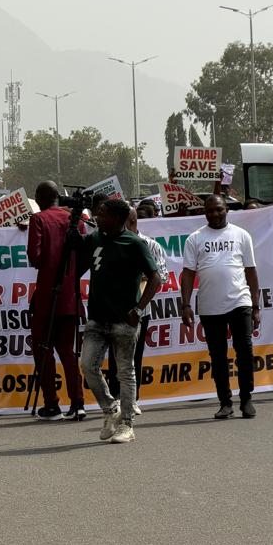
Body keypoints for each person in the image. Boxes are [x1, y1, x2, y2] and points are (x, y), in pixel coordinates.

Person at [73, 197, 162, 444]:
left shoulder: (134, 243)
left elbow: (155, 278)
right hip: (96, 319)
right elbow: (75, 247)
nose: (97, 217)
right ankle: (111, 409)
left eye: (102, 214)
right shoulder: (95, 238)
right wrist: (72, 221)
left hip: (124, 320)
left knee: (125, 372)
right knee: (87, 366)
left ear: (116, 218)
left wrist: (139, 309)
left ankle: (127, 425)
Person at [181, 194, 260, 419]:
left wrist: (256, 306)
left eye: (219, 209)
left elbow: (251, 272)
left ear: (227, 209)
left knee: (244, 350)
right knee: (217, 355)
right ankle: (225, 402)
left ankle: (246, 398)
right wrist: (185, 304)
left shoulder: (241, 235)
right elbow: (188, 273)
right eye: (210, 211)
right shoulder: (195, 238)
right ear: (204, 213)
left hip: (240, 302)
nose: (215, 214)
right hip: (209, 306)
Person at [26, 181, 87, 421]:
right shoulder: (76, 220)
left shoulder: (38, 219)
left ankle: (52, 404)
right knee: (68, 351)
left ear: (40, 198)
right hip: (70, 296)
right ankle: (78, 402)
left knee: (43, 350)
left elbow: (35, 257)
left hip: (47, 296)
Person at [107, 208, 169, 413]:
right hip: (115, 309)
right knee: (115, 356)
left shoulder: (150, 245)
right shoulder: (112, 242)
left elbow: (162, 275)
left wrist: (140, 275)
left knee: (135, 355)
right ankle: (116, 398)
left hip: (140, 309)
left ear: (132, 221)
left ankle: (133, 399)